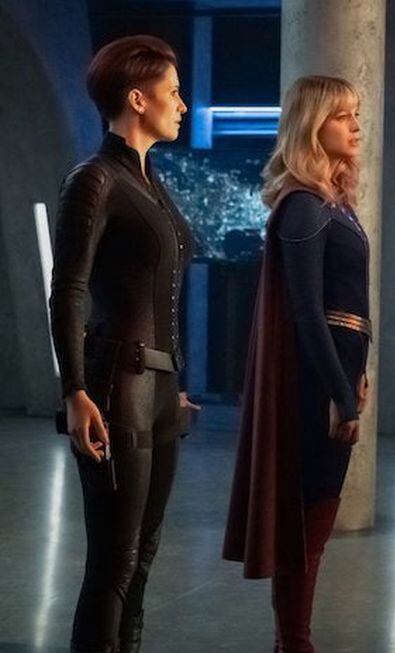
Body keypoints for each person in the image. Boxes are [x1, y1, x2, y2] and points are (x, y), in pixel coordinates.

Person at [50, 35, 199, 653]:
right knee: (114, 561)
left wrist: (174, 379)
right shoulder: (95, 178)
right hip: (117, 386)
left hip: (158, 386)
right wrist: (75, 390)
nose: (183, 105)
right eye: (173, 92)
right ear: (138, 100)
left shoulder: (149, 181)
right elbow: (68, 288)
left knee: (142, 558)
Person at [223, 75, 370, 653]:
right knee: (306, 525)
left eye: (356, 114)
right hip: (315, 384)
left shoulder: (333, 204)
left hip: (337, 372)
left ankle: (294, 641)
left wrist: (356, 375)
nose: (355, 126)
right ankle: (294, 642)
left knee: (317, 520)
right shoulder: (304, 206)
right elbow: (308, 311)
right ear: (312, 126)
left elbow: (345, 306)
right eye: (342, 116)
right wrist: (340, 392)